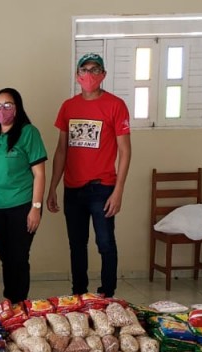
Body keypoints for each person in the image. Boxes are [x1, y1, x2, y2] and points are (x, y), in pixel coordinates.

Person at [46, 53, 132, 298]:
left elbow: (125, 151)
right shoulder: (68, 106)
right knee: (77, 245)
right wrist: (53, 187)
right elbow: (61, 150)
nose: (90, 75)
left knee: (105, 244)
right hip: (73, 190)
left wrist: (119, 191)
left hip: (102, 188)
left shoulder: (115, 105)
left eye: (96, 70)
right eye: (85, 70)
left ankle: (107, 294)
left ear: (103, 75)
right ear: (77, 75)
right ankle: (79, 295)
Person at [0, 88, 47, 303]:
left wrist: (36, 207)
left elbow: (39, 173)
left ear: (17, 107)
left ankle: (18, 301)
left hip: (21, 206)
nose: (1, 110)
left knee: (19, 257)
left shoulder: (28, 133)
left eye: (7, 105)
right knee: (6, 257)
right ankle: (10, 299)